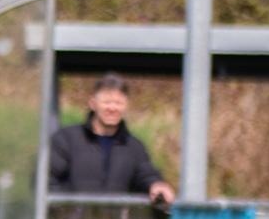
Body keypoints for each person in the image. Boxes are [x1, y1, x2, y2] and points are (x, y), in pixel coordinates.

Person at [48, 73, 176, 204]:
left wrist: (156, 185)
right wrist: (64, 209)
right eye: (107, 102)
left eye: (119, 103)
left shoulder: (134, 147)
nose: (112, 108)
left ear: (126, 105)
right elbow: (46, 180)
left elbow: (146, 174)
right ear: (92, 103)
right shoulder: (66, 139)